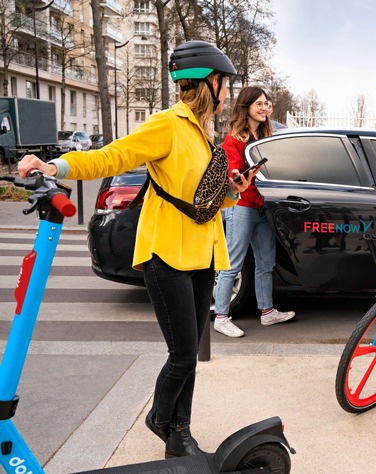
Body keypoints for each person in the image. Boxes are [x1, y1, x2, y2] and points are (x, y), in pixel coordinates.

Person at [18, 40, 255, 458]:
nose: (227, 91)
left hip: (202, 254)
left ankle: (180, 434)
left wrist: (234, 191)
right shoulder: (167, 125)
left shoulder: (205, 136)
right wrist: (54, 166)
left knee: (189, 356)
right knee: (183, 355)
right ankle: (160, 418)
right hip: (167, 253)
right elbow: (112, 157)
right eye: (224, 82)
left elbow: (204, 201)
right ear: (207, 83)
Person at [212, 86, 295, 338]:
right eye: (258, 104)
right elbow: (233, 176)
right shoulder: (234, 139)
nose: (264, 108)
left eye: (266, 104)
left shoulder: (267, 136)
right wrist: (243, 177)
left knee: (266, 262)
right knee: (232, 264)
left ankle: (267, 312)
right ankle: (221, 317)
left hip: (262, 205)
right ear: (246, 106)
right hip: (241, 206)